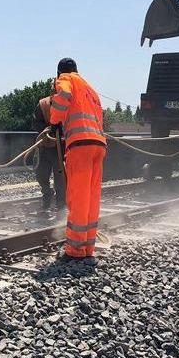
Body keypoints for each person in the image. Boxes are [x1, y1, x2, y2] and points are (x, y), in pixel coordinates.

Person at [48, 58, 106, 262]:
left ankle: (75, 249)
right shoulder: (90, 89)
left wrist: (54, 120)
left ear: (60, 72)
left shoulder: (66, 78)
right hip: (98, 145)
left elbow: (63, 94)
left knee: (78, 196)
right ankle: (88, 247)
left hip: (80, 145)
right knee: (91, 197)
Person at [32, 94, 65, 210]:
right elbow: (36, 123)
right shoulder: (42, 105)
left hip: (60, 147)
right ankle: (47, 193)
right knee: (41, 174)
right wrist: (49, 129)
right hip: (44, 146)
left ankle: (61, 204)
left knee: (60, 178)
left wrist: (60, 131)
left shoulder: (67, 104)